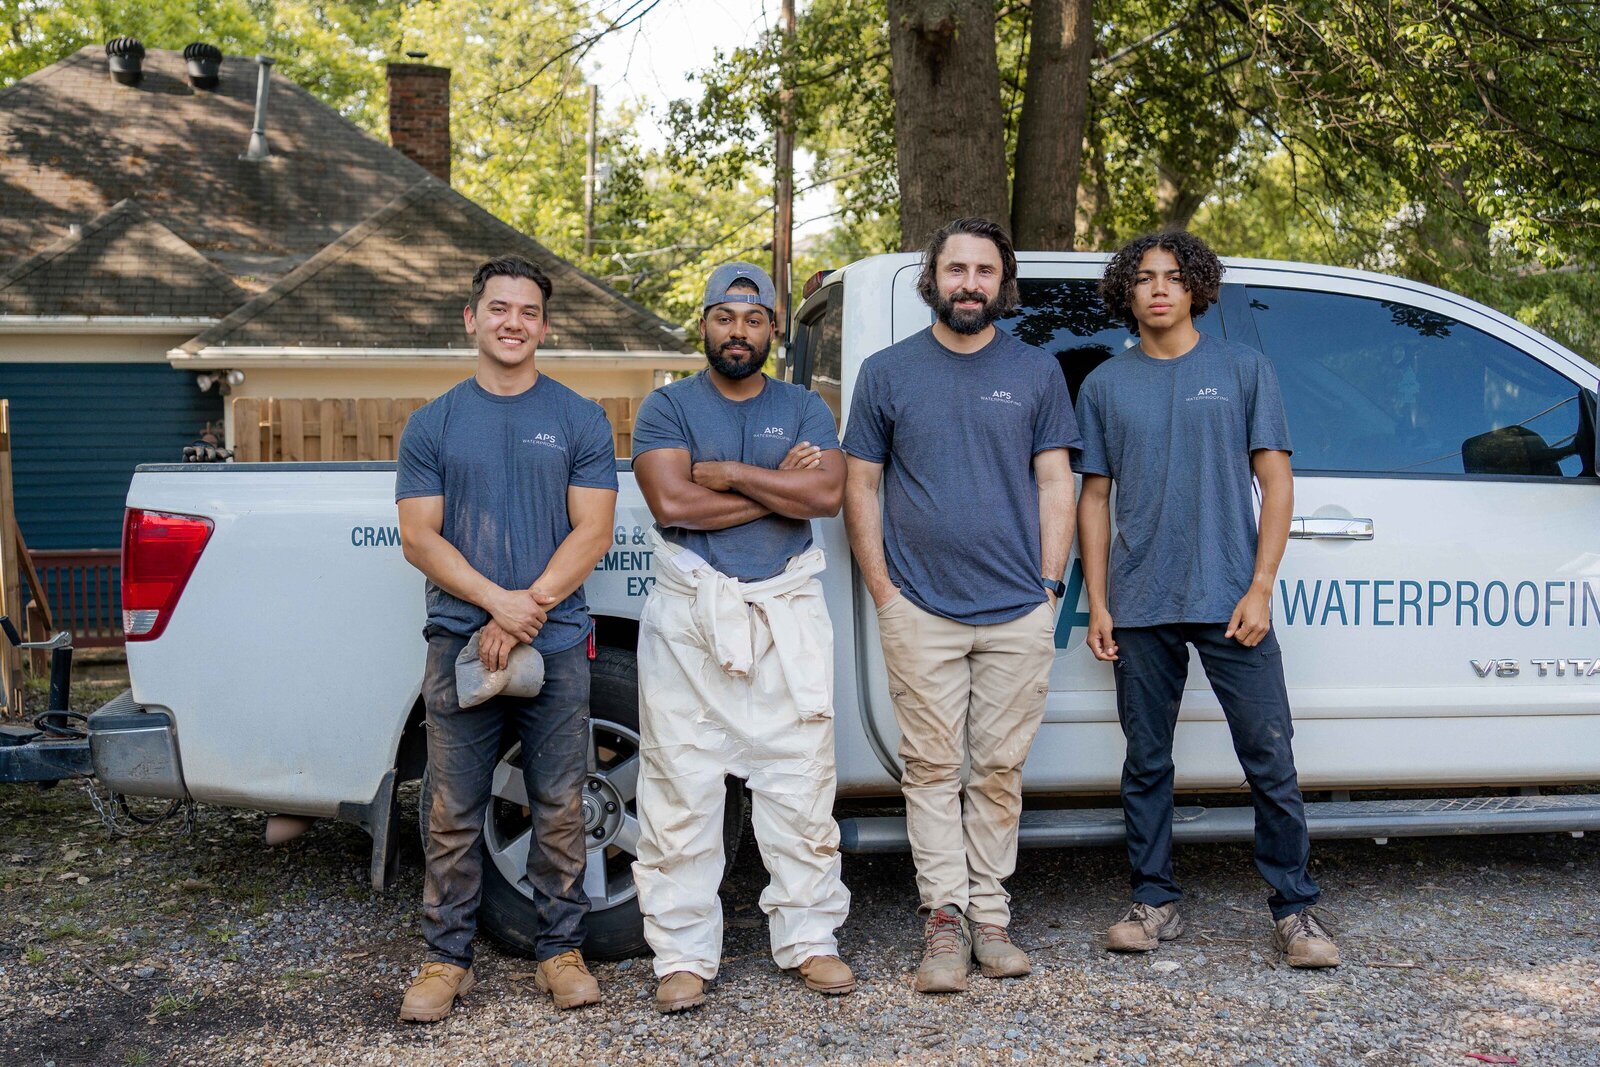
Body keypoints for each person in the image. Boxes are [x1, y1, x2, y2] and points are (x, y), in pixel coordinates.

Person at [1075, 231, 1340, 969]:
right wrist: (1098, 599)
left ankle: (1295, 909)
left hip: (1232, 597)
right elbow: (1092, 499)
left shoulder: (1243, 369)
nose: (1159, 289)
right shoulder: (1104, 385)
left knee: (1269, 753)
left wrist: (1261, 587)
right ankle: (1153, 899)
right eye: (1144, 279)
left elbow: (1277, 482)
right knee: (1147, 760)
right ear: (1127, 293)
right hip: (1141, 599)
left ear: (1195, 288)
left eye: (1173, 277)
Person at [842, 218, 1080, 994]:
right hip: (922, 609)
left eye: (984, 270)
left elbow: (1055, 483)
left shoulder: (1038, 371)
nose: (969, 282)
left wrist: (1049, 586)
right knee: (932, 768)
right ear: (932, 279)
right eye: (956, 269)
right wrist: (885, 592)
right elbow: (861, 486)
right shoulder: (886, 372)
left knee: (999, 769)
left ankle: (990, 916)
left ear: (1000, 282)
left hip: (1017, 606)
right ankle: (943, 920)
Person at [394, 255, 619, 1021]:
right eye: (499, 308)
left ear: (544, 326)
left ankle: (560, 950)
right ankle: (444, 958)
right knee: (452, 808)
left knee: (560, 801)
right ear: (472, 318)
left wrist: (531, 607)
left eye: (527, 311)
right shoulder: (434, 423)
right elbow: (420, 539)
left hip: (556, 645)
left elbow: (594, 528)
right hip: (458, 642)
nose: (513, 321)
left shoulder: (580, 418)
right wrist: (498, 605)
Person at [630, 262, 854, 1013]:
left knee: (800, 787)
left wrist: (726, 473)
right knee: (680, 793)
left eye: (754, 319)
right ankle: (684, 954)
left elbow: (825, 493)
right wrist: (773, 486)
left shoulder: (804, 406)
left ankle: (812, 939)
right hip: (693, 620)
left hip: (786, 616)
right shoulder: (666, 408)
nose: (739, 331)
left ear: (773, 329)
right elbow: (669, 500)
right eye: (725, 317)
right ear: (703, 325)